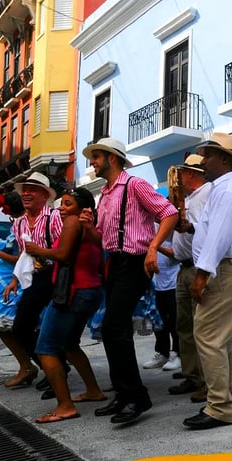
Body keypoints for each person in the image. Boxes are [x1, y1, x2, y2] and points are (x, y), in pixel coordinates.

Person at [79, 137, 178, 425]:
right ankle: (124, 393)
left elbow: (169, 213)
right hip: (116, 263)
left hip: (134, 263)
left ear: (112, 158)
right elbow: (103, 239)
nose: (92, 162)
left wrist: (152, 248)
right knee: (112, 330)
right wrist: (88, 225)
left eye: (96, 156)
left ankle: (137, 396)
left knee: (114, 327)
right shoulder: (106, 193)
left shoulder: (135, 184)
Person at [183, 132, 232, 430]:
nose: (203, 161)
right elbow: (214, 231)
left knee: (208, 337)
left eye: (208, 155)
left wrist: (201, 275)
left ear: (224, 160)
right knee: (225, 340)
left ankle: (220, 406)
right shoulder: (226, 190)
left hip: (223, 270)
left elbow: (218, 239)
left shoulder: (227, 192)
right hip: (227, 270)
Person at [25, 188, 106, 423]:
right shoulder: (92, 230)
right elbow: (98, 262)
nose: (62, 208)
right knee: (70, 344)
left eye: (68, 204)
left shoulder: (72, 222)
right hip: (89, 292)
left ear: (81, 208)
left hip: (72, 293)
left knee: (46, 348)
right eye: (62, 204)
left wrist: (37, 250)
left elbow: (63, 254)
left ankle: (64, 405)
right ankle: (93, 390)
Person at [3, 172, 63, 389]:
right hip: (36, 279)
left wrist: (42, 252)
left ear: (44, 195)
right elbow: (23, 256)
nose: (26, 193)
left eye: (32, 190)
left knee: (50, 328)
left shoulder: (54, 218)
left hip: (55, 275)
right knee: (21, 328)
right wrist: (14, 280)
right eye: (24, 190)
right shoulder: (18, 223)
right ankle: (52, 368)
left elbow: (64, 251)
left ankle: (56, 370)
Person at [159, 154, 211, 403]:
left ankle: (205, 379)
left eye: (181, 173)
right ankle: (192, 375)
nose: (178, 179)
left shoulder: (207, 195)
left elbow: (208, 230)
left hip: (197, 267)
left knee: (200, 327)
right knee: (184, 327)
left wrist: (188, 226)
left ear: (191, 174)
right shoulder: (188, 198)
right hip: (184, 267)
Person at [0, 191, 36, 388]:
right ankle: (27, 365)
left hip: (15, 282)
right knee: (5, 327)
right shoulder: (18, 224)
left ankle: (31, 366)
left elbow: (22, 258)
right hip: (5, 283)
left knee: (14, 326)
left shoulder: (25, 225)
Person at [142, 229, 181, 372]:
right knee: (158, 320)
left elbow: (178, 254)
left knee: (175, 320)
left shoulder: (172, 223)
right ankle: (162, 352)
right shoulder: (151, 223)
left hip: (174, 279)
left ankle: (177, 353)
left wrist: (155, 245)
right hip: (157, 281)